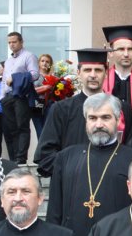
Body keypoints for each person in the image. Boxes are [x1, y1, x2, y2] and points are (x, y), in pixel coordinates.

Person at [46, 94, 132, 236]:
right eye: (92, 118)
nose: (99, 124)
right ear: (86, 121)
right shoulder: (66, 157)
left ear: (118, 120)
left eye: (105, 117)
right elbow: (54, 211)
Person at [35, 48, 110, 176]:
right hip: (71, 182)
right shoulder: (61, 109)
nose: (93, 75)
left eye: (98, 70)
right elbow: (45, 156)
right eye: (87, 70)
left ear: (106, 73)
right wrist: (74, 168)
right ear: (78, 73)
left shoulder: (119, 109)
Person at [0, 31, 39, 165]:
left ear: (21, 42)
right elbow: (4, 81)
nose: (12, 45)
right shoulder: (8, 61)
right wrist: (1, 98)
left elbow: (35, 74)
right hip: (8, 97)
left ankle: (21, 158)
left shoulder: (29, 56)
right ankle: (13, 158)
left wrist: (15, 78)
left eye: (14, 42)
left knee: (22, 127)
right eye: (9, 42)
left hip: (21, 95)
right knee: (11, 129)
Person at [32, 53, 56, 142]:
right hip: (37, 105)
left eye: (47, 61)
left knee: (48, 131)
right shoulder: (34, 76)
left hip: (50, 105)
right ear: (38, 63)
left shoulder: (54, 77)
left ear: (50, 64)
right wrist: (44, 88)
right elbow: (30, 90)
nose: (44, 63)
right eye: (42, 61)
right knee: (40, 131)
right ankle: (41, 149)